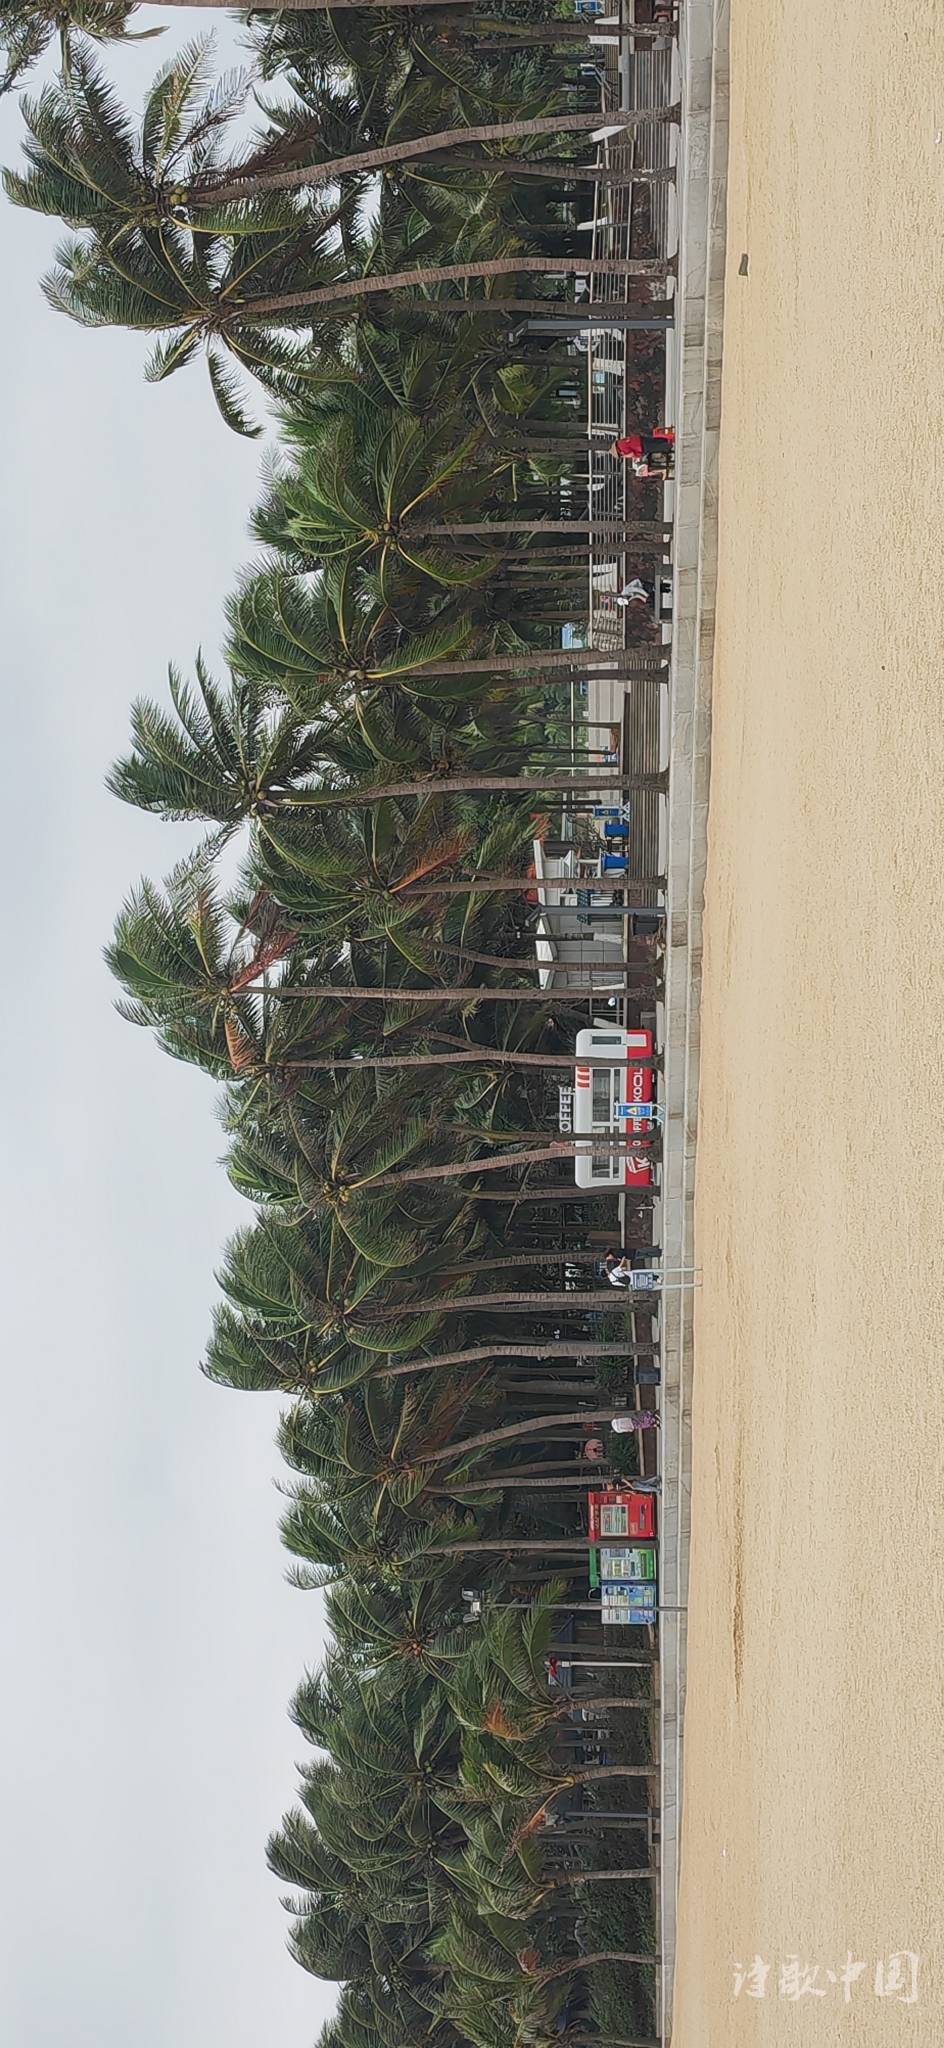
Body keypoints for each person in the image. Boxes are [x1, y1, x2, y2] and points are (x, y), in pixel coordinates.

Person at [610, 425, 675, 477]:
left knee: (655, 447)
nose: (620, 454)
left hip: (640, 447)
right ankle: (667, 439)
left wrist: (626, 455)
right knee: (654, 441)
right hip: (640, 439)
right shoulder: (621, 441)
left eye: (619, 454)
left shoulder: (621, 447)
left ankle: (668, 444)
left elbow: (631, 453)